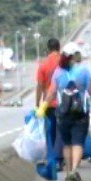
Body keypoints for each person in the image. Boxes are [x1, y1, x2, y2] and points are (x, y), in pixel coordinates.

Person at [37, 42, 91, 181]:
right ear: (74, 56)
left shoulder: (58, 72)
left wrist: (43, 107)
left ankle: (68, 173)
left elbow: (51, 92)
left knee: (67, 143)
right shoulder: (84, 71)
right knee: (78, 142)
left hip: (63, 113)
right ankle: (74, 170)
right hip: (81, 113)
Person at [35, 38, 62, 167]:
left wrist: (37, 104)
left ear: (48, 49)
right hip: (65, 102)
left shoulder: (43, 64)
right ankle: (63, 159)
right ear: (59, 48)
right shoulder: (64, 62)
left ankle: (54, 159)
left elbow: (39, 86)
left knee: (51, 132)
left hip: (49, 104)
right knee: (63, 130)